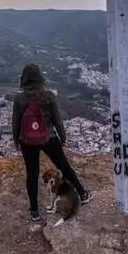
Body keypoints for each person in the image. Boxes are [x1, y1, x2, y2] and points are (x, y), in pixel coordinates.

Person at [11, 63, 91, 221]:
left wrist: (16, 140)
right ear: (40, 77)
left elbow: (16, 122)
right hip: (49, 138)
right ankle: (82, 194)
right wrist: (63, 137)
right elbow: (57, 119)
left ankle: (34, 211)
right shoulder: (48, 96)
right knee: (64, 166)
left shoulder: (19, 98)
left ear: (24, 79)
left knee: (32, 174)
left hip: (27, 140)